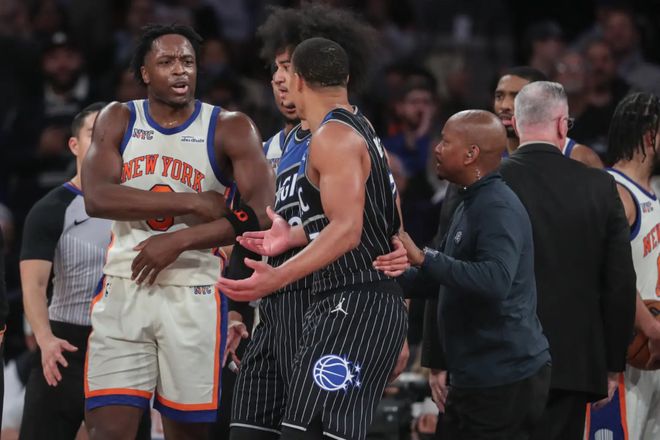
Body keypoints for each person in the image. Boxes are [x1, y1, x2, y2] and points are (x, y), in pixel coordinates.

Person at [81, 24, 275, 439]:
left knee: (186, 433)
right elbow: (96, 198)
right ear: (145, 72)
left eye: (187, 61)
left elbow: (261, 214)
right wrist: (190, 202)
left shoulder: (230, 127)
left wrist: (179, 240)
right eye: (166, 61)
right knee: (107, 431)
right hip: (125, 285)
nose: (179, 70)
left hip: (195, 292)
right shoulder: (119, 118)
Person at [217, 37, 407, 440]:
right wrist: (294, 235)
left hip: (357, 302)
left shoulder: (332, 136)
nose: (280, 78)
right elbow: (369, 218)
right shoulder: (354, 129)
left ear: (298, 79)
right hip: (341, 299)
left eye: (286, 69)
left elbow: (348, 230)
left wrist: (277, 277)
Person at [375, 110, 552, 439]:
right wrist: (384, 277)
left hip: (503, 380)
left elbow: (495, 280)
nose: (436, 148)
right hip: (476, 377)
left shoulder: (497, 207)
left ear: (471, 154)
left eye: (446, 141)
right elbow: (441, 279)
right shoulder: (468, 202)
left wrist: (424, 257)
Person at [499, 81, 636, 440]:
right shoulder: (600, 187)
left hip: (497, 361)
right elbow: (620, 282)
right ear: (563, 125)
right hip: (572, 364)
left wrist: (441, 360)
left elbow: (455, 269)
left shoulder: (488, 182)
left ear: (516, 123)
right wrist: (612, 364)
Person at [18, 103, 148, 440]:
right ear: (74, 145)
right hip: (65, 346)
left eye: (113, 135)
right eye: (95, 134)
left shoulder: (141, 203)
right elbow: (33, 285)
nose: (105, 142)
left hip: (123, 346)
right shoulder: (51, 209)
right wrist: (45, 340)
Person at [587, 93, 660, 440]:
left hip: (654, 355)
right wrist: (650, 325)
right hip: (621, 357)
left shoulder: (653, 194)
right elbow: (602, 274)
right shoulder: (615, 192)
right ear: (650, 135)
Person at [494, 66, 603, 168]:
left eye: (517, 97)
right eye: (499, 96)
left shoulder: (578, 157)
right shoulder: (488, 155)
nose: (504, 105)